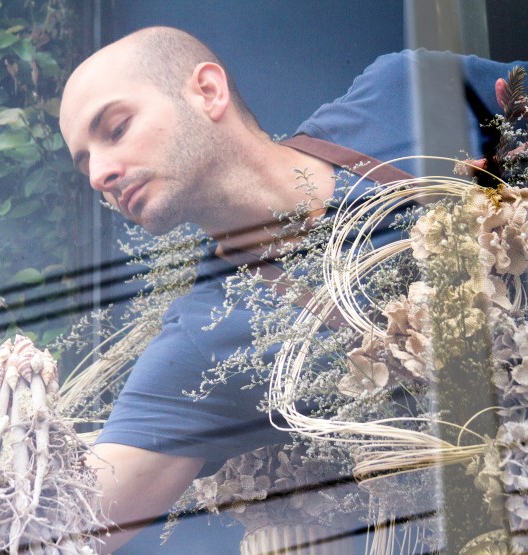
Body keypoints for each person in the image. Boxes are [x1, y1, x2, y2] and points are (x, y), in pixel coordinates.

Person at [58, 26, 521, 553]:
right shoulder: (203, 344)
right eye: (84, 164)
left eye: (115, 129)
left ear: (207, 92)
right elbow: (74, 519)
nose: (99, 174)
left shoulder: (402, 92)